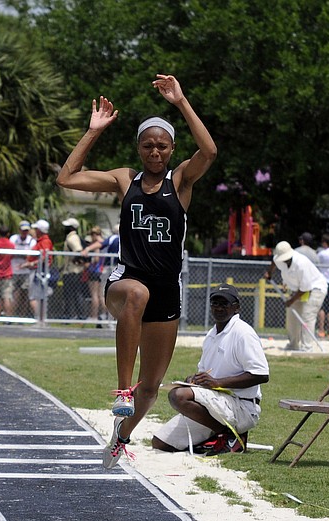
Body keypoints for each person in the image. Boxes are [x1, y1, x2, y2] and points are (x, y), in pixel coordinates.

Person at [56, 73, 217, 469]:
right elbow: (66, 178)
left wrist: (180, 102)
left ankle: (121, 437)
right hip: (126, 281)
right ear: (139, 148)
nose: (155, 152)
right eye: (148, 146)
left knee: (153, 386)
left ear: (172, 148)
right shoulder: (124, 179)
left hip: (167, 289)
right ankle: (121, 390)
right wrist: (93, 132)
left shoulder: (180, 180)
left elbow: (209, 151)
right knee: (136, 295)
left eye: (162, 146)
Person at [152, 284, 269, 456]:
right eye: (215, 303)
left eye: (225, 303)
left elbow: (261, 374)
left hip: (241, 406)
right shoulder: (211, 335)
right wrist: (193, 379)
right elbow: (206, 374)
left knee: (178, 396)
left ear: (236, 307)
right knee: (160, 443)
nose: (219, 308)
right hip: (216, 404)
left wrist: (217, 382)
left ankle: (229, 436)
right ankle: (219, 438)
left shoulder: (243, 333)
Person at [271, 240, 328, 351]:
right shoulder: (279, 260)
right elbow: (273, 262)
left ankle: (307, 346)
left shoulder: (301, 264)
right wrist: (269, 272)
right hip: (298, 289)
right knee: (292, 315)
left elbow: (305, 289)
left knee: (307, 316)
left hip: (315, 288)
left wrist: (291, 301)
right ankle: (293, 344)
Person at [23, 219, 54, 321]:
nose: (35, 231)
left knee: (34, 297)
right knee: (39, 296)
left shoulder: (45, 241)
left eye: (36, 229)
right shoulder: (40, 241)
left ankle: (39, 318)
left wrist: (30, 263)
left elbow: (44, 256)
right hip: (37, 270)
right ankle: (40, 318)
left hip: (38, 271)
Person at [58, 218, 87, 320]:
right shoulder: (70, 237)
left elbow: (79, 251)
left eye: (66, 227)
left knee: (73, 294)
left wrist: (75, 261)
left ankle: (74, 315)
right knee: (71, 293)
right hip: (70, 270)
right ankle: (75, 315)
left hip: (73, 271)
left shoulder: (72, 238)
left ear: (71, 228)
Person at [11, 220, 36, 317]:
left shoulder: (31, 241)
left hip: (26, 272)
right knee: (13, 295)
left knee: (25, 295)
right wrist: (23, 255)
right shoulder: (13, 239)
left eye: (26, 230)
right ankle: (11, 316)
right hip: (14, 271)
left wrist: (20, 255)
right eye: (23, 230)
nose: (24, 233)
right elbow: (10, 253)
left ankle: (22, 316)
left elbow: (30, 256)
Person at [80, 225, 106, 323]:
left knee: (95, 295)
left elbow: (96, 259)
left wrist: (88, 264)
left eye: (92, 235)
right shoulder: (104, 242)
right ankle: (104, 315)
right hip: (101, 271)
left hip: (95, 271)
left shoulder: (97, 244)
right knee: (101, 295)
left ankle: (94, 316)